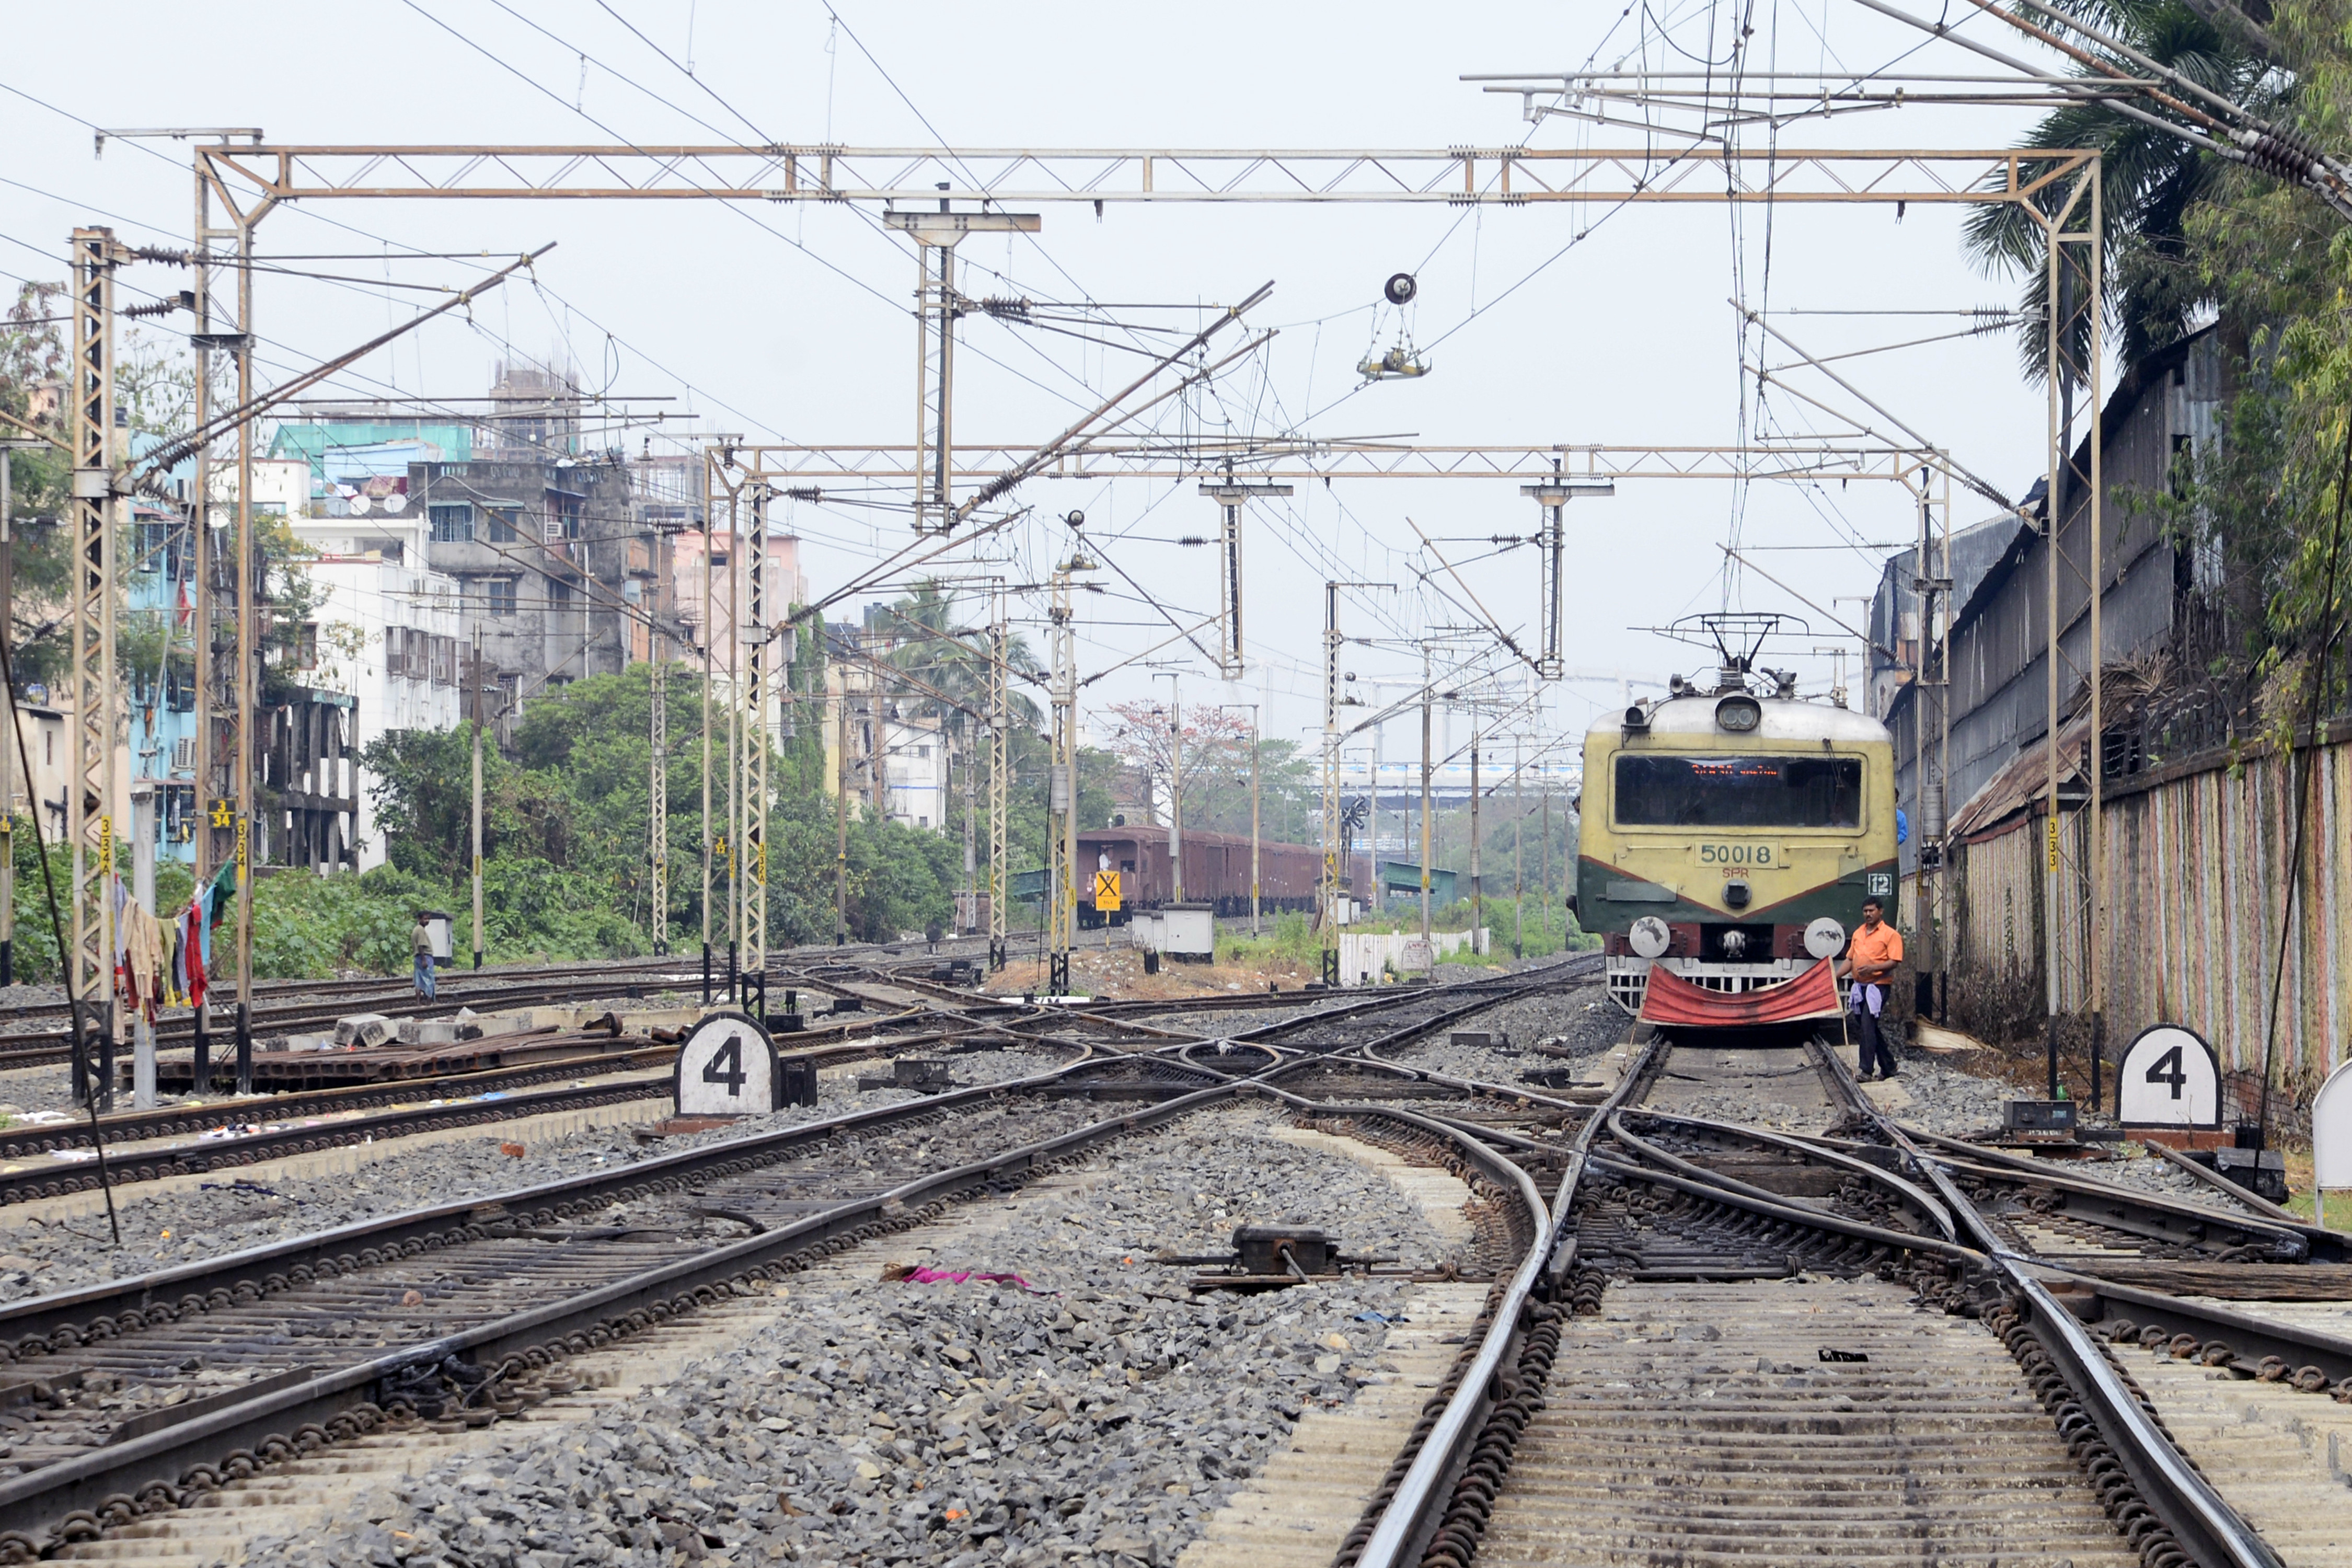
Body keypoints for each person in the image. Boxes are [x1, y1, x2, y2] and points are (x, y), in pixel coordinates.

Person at [1839, 896, 1903, 1080]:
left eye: (1872, 911)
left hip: (1879, 987)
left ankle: (1866, 1070)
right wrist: (1834, 977)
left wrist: (1873, 968)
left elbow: (1894, 961)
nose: (1868, 914)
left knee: (1867, 1025)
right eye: (1865, 911)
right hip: (1861, 987)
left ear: (1880, 911)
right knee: (1869, 1027)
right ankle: (1889, 1066)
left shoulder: (1891, 935)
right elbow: (1850, 959)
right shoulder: (1859, 933)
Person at [411, 913, 437, 1001]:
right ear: (420, 919)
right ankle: (429, 1003)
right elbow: (421, 945)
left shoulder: (416, 929)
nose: (427, 921)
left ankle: (418, 1002)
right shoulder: (421, 930)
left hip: (417, 957)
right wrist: (424, 960)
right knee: (429, 980)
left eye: (428, 919)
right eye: (425, 919)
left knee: (418, 981)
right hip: (425, 957)